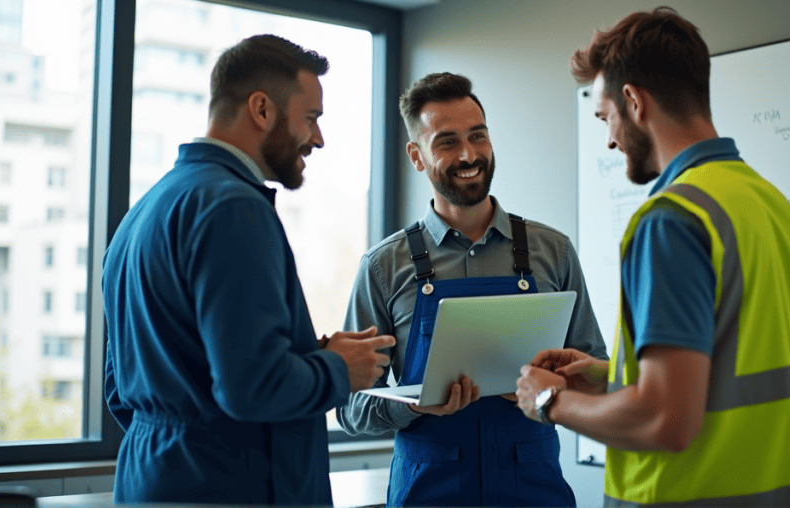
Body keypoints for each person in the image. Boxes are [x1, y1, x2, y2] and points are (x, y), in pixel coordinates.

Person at [515, 7, 790, 507]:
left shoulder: (672, 220)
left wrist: (550, 401)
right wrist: (608, 374)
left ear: (634, 101)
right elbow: (728, 365)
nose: (611, 139)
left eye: (605, 117)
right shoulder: (777, 211)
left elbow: (666, 419)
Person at [102, 34, 395, 505]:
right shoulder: (232, 207)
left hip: (150, 482)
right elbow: (251, 388)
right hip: (229, 489)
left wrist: (305, 358)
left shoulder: (145, 211)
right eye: (311, 118)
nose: (318, 139)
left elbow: (123, 388)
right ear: (262, 110)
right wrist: (338, 371)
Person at [336, 72, 607, 507]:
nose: (469, 154)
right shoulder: (384, 266)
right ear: (417, 156)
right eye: (446, 141)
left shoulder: (552, 250)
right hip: (429, 493)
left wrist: (557, 384)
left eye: (477, 136)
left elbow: (600, 372)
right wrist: (415, 406)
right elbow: (350, 410)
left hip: (534, 490)